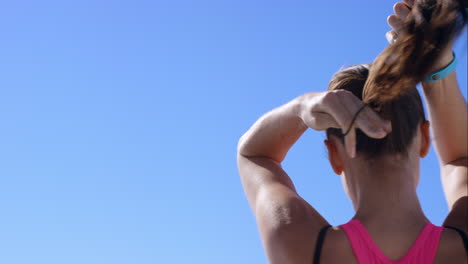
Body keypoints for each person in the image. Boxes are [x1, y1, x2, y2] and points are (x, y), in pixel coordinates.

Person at [237, 0, 467, 263]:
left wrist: (301, 108)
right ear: (425, 139)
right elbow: (460, 159)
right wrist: (438, 69)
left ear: (334, 154)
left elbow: (254, 154)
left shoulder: (305, 248)